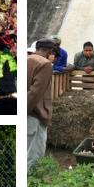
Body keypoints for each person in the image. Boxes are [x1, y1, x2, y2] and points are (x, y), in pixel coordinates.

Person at [27, 38, 59, 171]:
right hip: (34, 114)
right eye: (54, 55)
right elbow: (35, 93)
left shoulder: (27, 59)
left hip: (27, 113)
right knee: (34, 156)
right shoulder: (45, 64)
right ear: (51, 51)